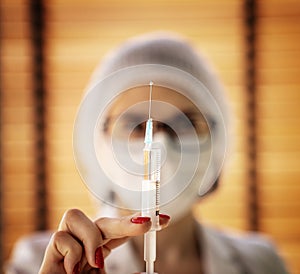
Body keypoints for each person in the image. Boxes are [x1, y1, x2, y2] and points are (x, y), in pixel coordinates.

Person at [6, 33, 289, 274]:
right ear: (99, 139)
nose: (161, 143)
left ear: (216, 139)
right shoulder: (43, 262)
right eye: (136, 124)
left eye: (186, 123)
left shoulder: (262, 263)